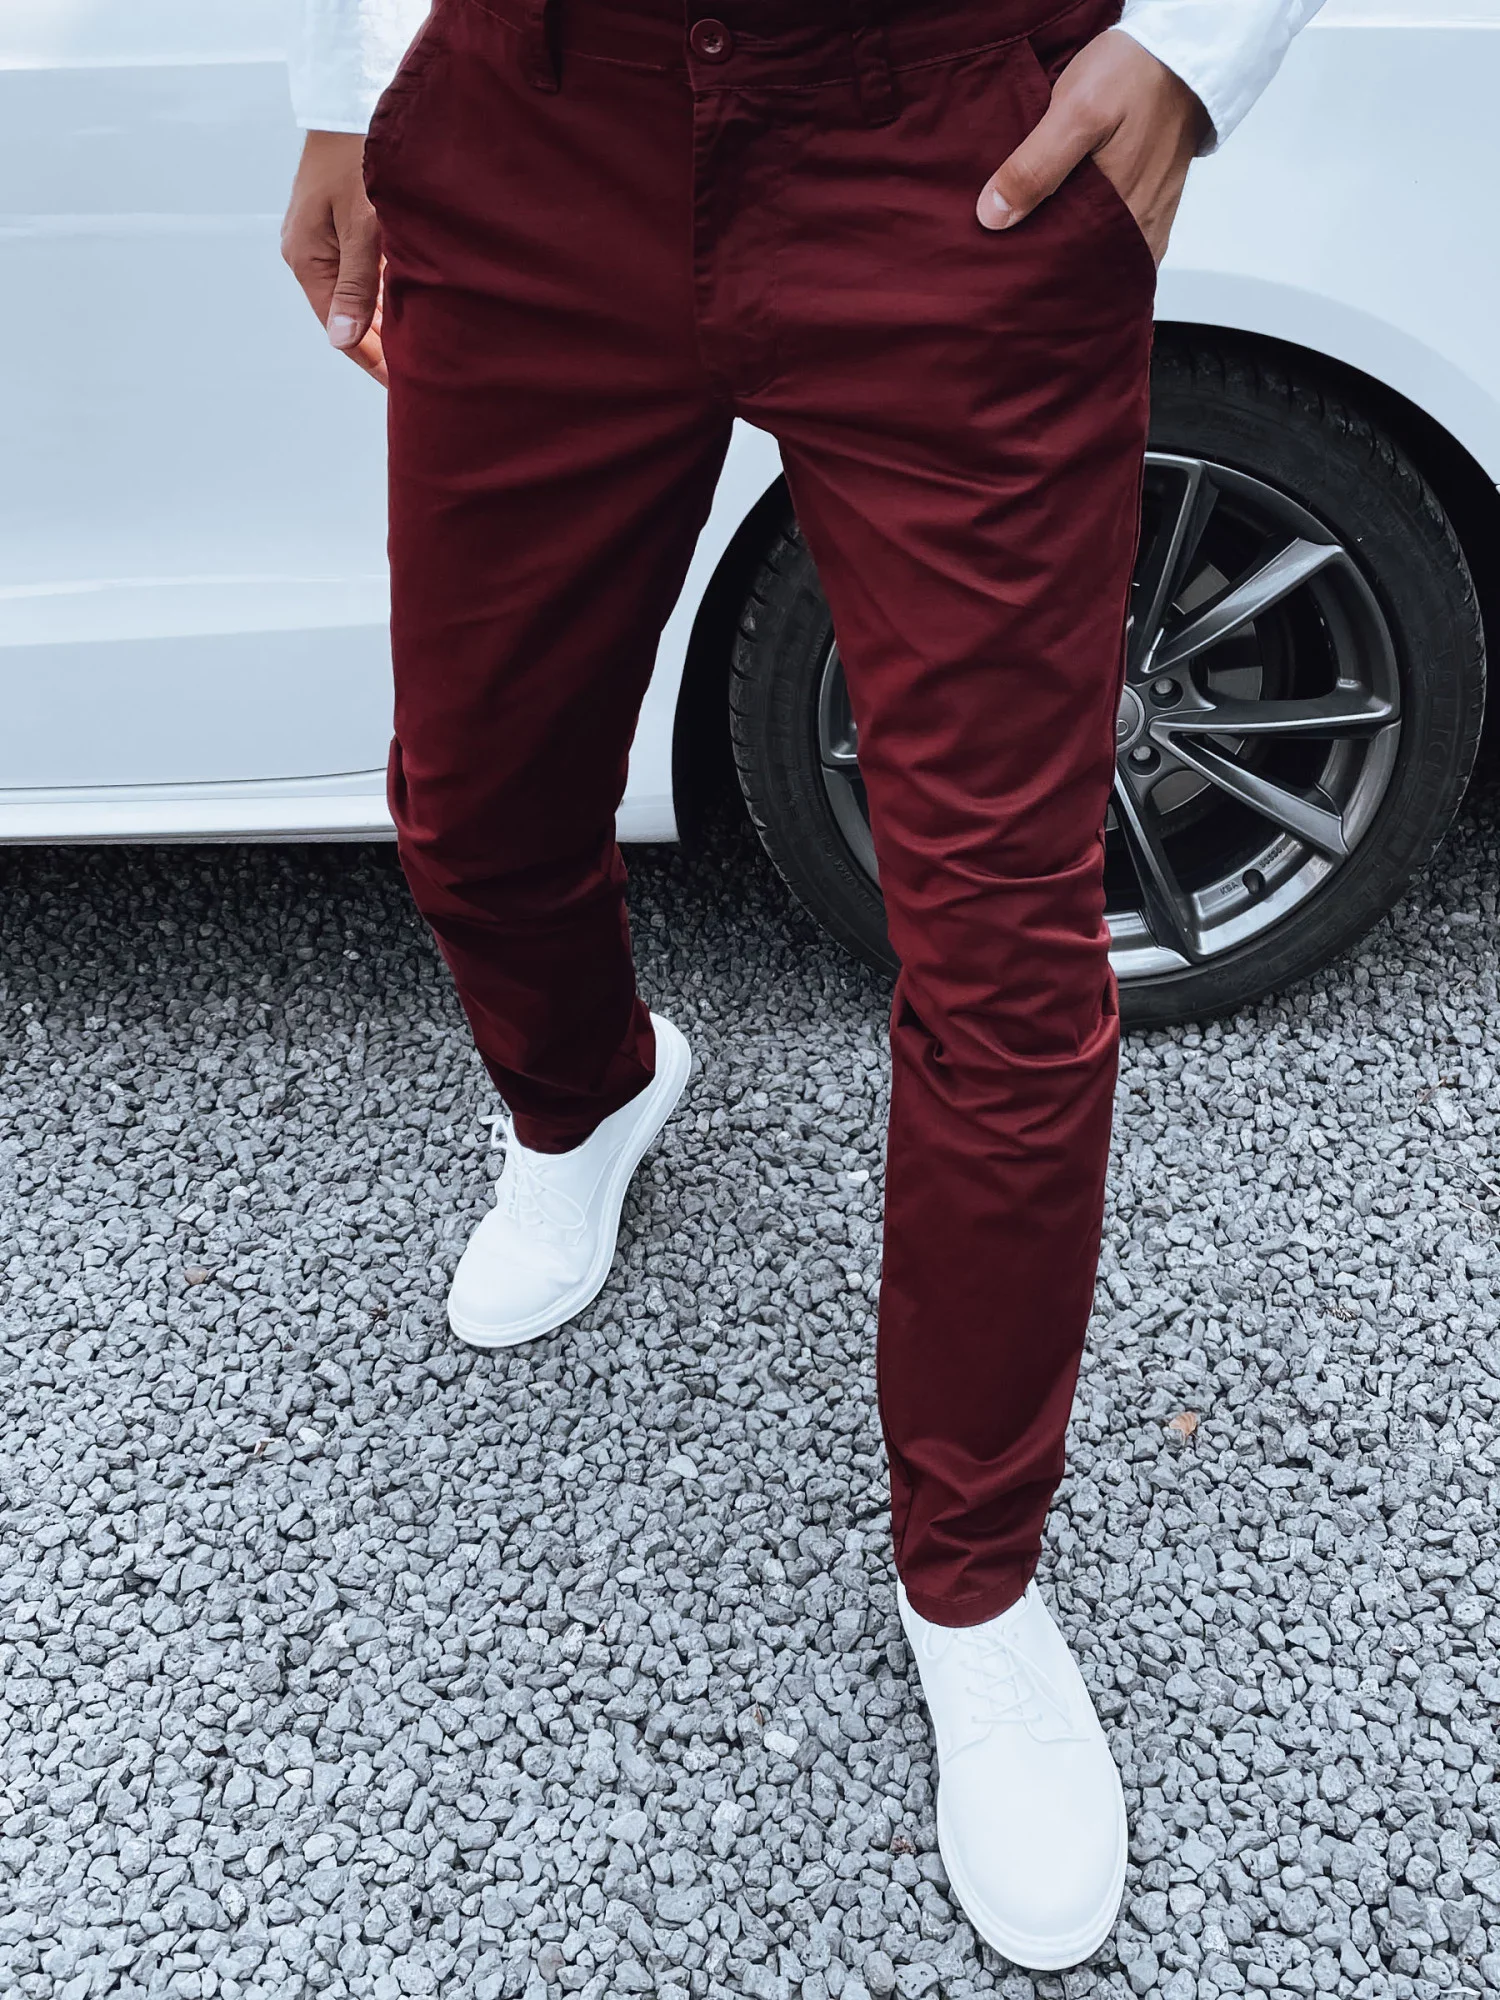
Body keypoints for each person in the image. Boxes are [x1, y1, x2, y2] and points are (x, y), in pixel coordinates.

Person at [281, 0, 1321, 1968]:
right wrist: (344, 90)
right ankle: (588, 1096)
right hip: (533, 110)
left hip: (947, 133)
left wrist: (1202, 43)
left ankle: (975, 1585)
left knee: (1004, 940)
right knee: (475, 791)